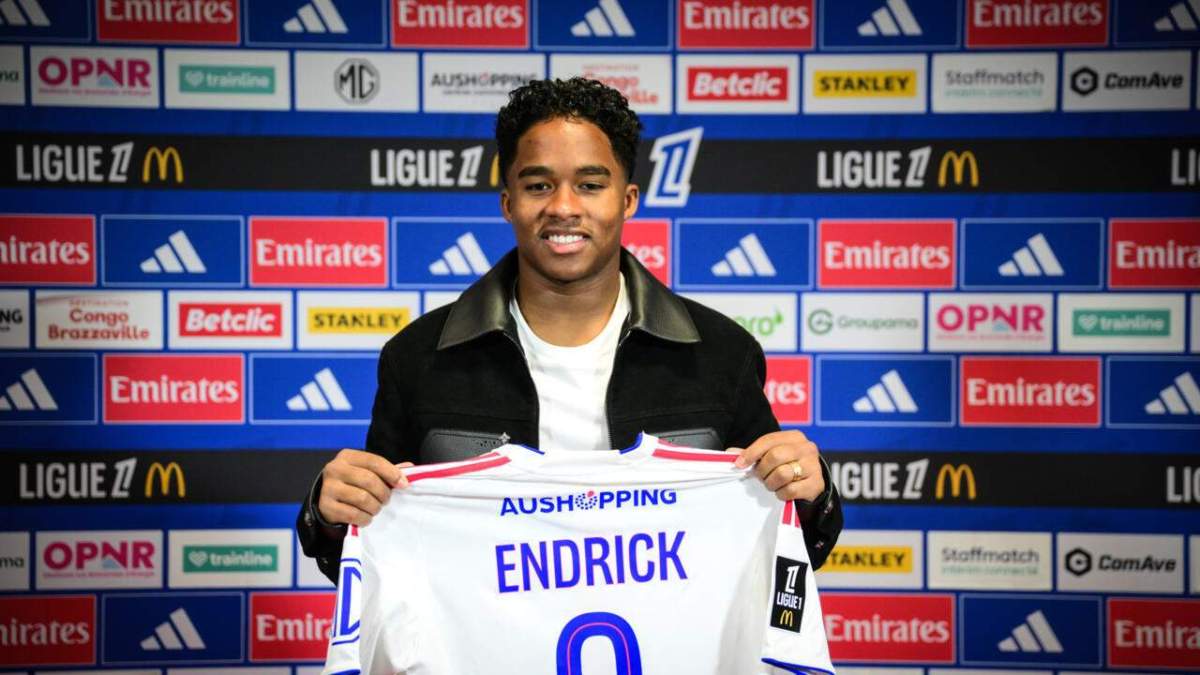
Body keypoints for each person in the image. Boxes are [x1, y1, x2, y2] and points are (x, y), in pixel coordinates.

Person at [298, 77, 842, 583]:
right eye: (538, 185)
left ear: (626, 200)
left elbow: (787, 546)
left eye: (589, 184)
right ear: (508, 203)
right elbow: (368, 557)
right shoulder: (419, 357)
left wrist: (811, 497)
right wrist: (330, 514)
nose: (562, 207)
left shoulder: (719, 353)